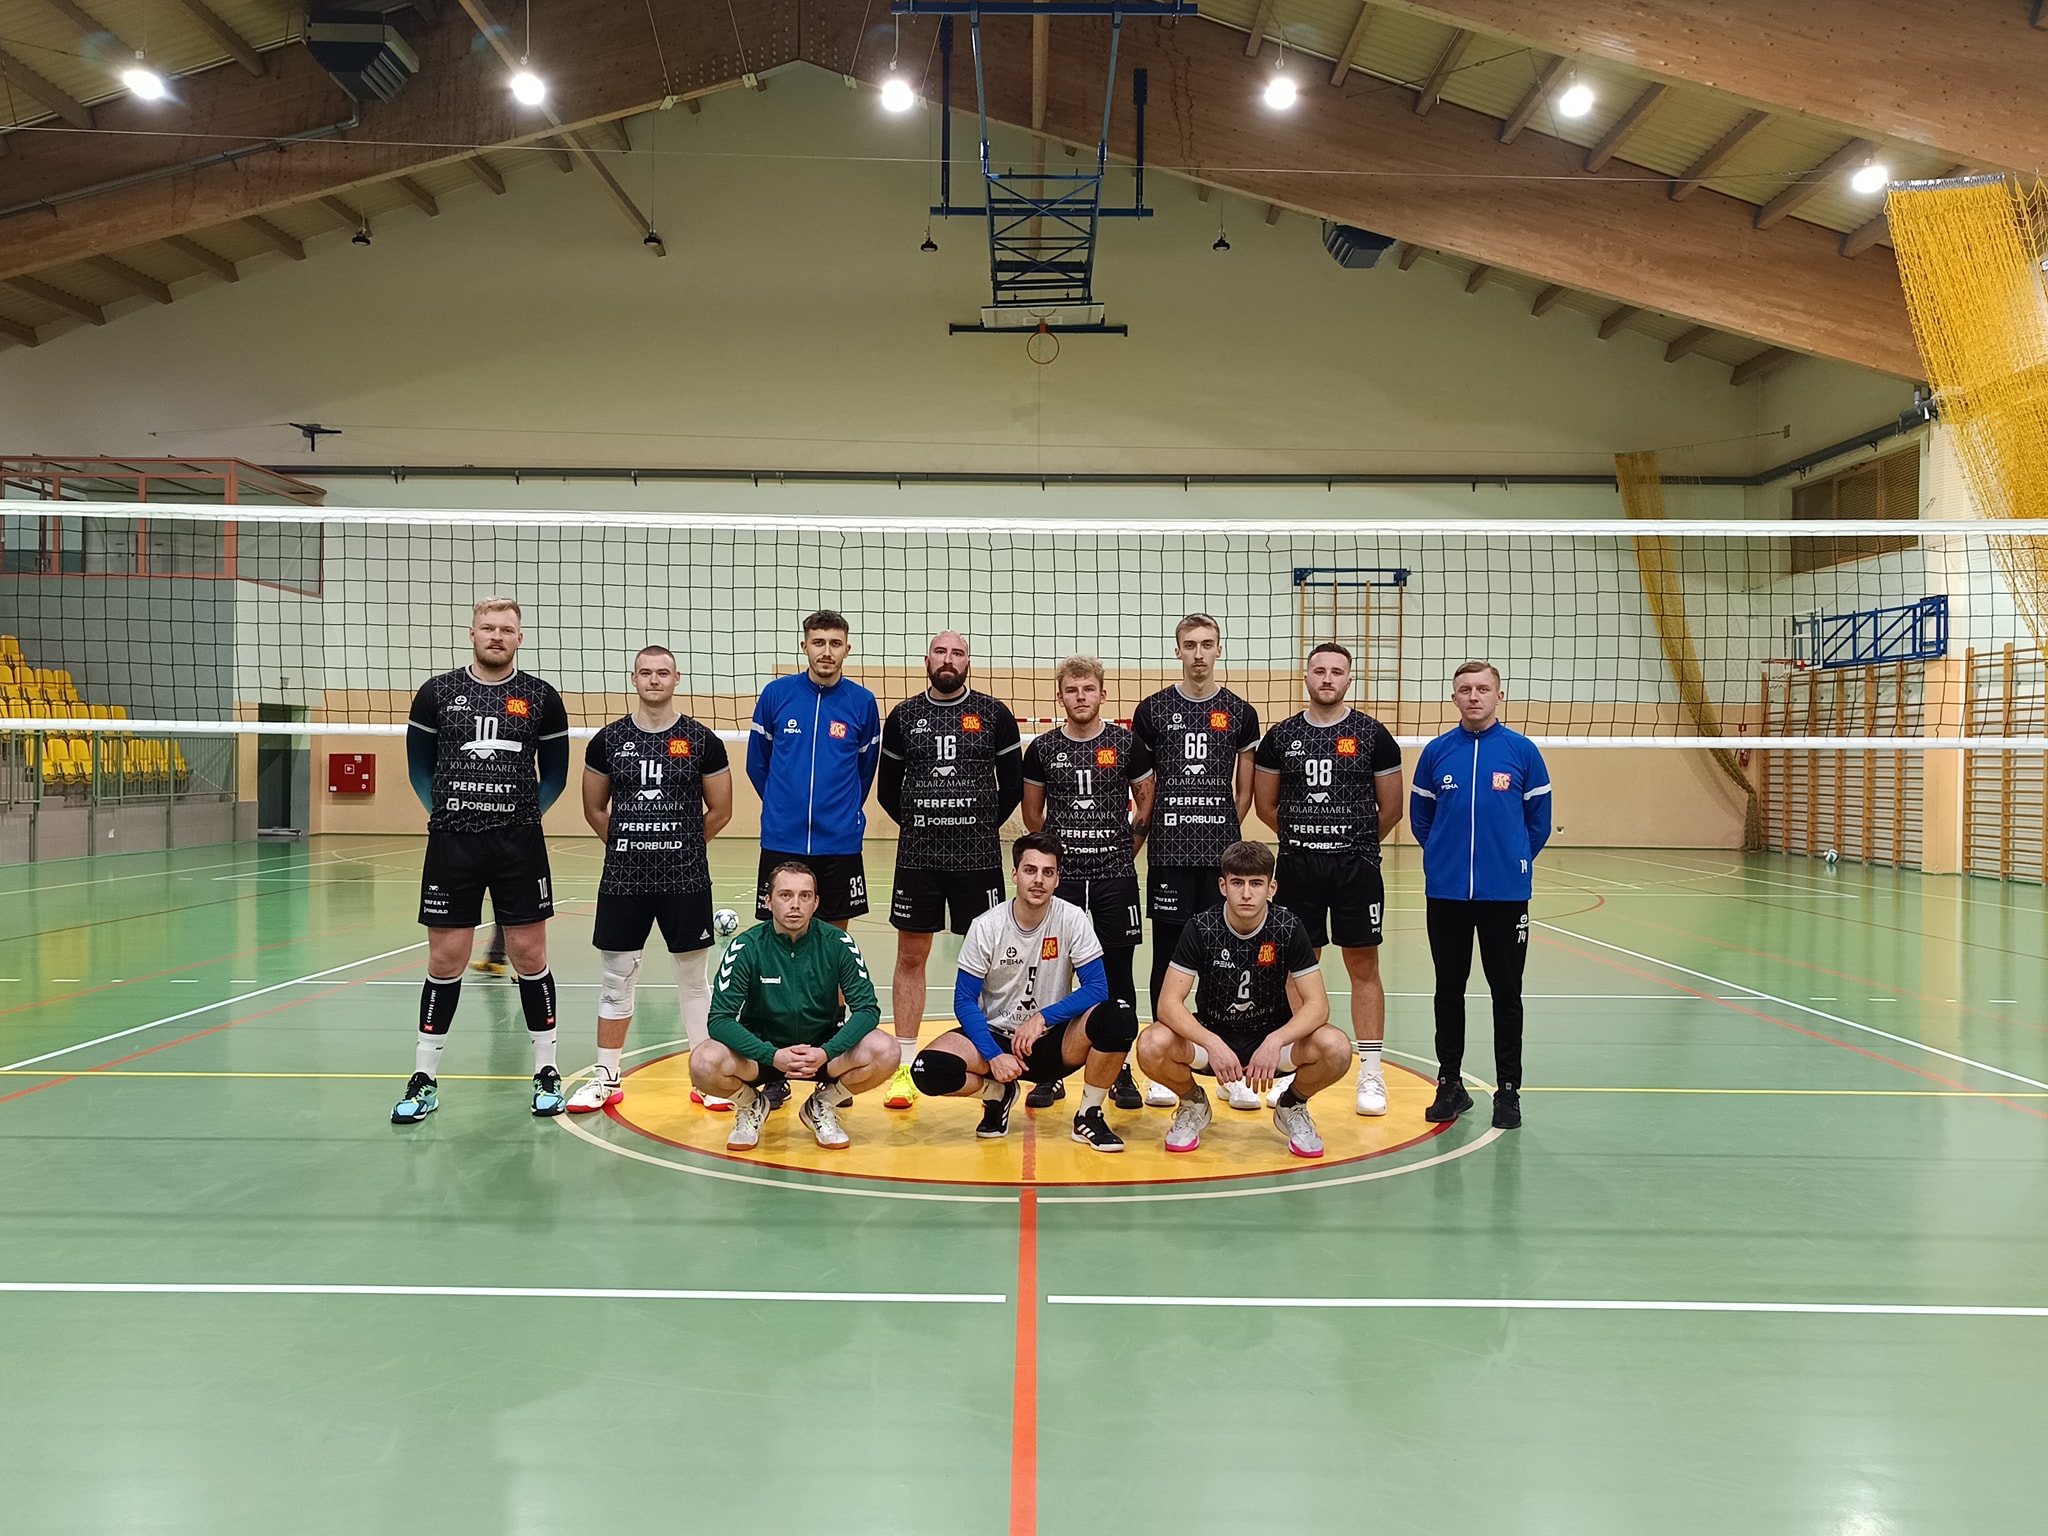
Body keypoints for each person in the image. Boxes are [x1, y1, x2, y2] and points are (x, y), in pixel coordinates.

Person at [392, 597, 571, 1124]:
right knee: (446, 959)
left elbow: (555, 775)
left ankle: (547, 1071)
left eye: (506, 629)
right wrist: (443, 813)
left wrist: (523, 816)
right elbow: (419, 769)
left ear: (520, 638)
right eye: (488, 627)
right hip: (453, 844)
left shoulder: (541, 697)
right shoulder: (436, 693)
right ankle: (424, 1078)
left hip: (518, 845)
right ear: (472, 633)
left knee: (528, 955)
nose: (497, 636)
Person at [566, 644, 734, 1115]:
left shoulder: (702, 740)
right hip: (624, 880)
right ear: (634, 679)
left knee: (694, 980)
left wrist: (681, 845)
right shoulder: (608, 740)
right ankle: (606, 1078)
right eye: (646, 672)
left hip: (685, 878)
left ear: (676, 679)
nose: (654, 680)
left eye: (663, 673)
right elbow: (594, 809)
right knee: (616, 979)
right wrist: (628, 844)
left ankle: (706, 1078)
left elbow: (721, 810)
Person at [908, 831, 1141, 1151]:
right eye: (1030, 870)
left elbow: (1098, 988)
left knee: (1120, 1015)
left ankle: (1089, 1114)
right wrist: (993, 1055)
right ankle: (997, 1094)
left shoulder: (1071, 918)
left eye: (1048, 872)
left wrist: (1042, 1018)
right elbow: (964, 1000)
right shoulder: (986, 926)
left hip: (1056, 1040)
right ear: (1015, 874)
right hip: (997, 1038)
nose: (1039, 880)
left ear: (1058, 879)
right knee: (928, 1069)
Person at [1253, 642, 1404, 1117]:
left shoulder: (1373, 734)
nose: (1327, 678)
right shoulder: (1281, 736)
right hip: (1298, 868)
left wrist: (1353, 843)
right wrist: (1304, 840)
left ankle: (1371, 1072)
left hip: (1356, 868)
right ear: (1306, 677)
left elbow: (1391, 809)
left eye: (1336, 672)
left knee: (1364, 967)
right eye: (1319, 670)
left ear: (1348, 679)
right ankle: (1290, 1063)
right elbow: (1266, 806)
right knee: (1296, 967)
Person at [878, 630, 1023, 1110]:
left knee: (991, 959)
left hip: (977, 859)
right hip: (918, 858)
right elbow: (887, 791)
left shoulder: (994, 714)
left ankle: (993, 1057)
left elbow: (1012, 787)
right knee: (911, 956)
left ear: (968, 662)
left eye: (957, 653)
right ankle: (904, 1066)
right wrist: (924, 824)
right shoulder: (903, 716)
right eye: (940, 652)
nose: (948, 659)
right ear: (927, 660)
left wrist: (977, 825)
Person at [1409, 660, 1552, 1131]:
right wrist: (1444, 857)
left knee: (1506, 993)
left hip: (1505, 897)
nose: (1474, 696)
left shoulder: (1522, 752)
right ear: (1454, 697)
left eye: (1483, 689)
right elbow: (1421, 820)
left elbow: (1538, 823)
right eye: (1465, 689)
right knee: (1448, 990)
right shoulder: (1436, 752)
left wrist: (1510, 860)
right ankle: (1450, 1083)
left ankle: (1508, 1090)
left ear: (1498, 695)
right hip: (1446, 894)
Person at [1135, 841, 1345, 1158]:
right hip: (1214, 1037)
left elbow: (1318, 1005)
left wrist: (1276, 1040)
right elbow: (1168, 1003)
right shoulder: (1201, 927)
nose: (1246, 893)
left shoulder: (1288, 927)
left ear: (1271, 888)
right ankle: (1192, 1102)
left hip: (1271, 1041)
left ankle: (1293, 1104)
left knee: (1337, 1047)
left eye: (1256, 883)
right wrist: (1212, 1043)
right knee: (1151, 1044)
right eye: (1237, 883)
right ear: (1223, 886)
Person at [1131, 613, 1261, 1110]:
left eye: (1207, 644)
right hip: (1168, 854)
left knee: (1224, 958)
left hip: (1218, 858)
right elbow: (1144, 786)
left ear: (1219, 649)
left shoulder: (1240, 712)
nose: (1199, 653)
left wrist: (1223, 831)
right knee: (1168, 957)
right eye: (1190, 645)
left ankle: (1229, 1065)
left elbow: (1244, 790)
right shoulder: (1152, 710)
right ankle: (1167, 1065)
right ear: (1178, 650)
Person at [1021, 655, 1154, 1109]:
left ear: (1102, 693)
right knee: (1054, 971)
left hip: (1115, 876)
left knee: (1117, 973)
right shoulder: (1043, 748)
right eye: (1072, 690)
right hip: (1065, 879)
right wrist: (1054, 862)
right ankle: (1052, 1068)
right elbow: (1033, 814)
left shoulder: (1126, 743)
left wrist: (1126, 848)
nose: (1081, 697)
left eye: (1088, 689)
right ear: (1060, 696)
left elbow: (1145, 801)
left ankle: (1120, 1067)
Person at [693, 861, 895, 1151]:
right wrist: (771, 1055)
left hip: (821, 1052)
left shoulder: (838, 943)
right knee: (702, 1062)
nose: (795, 905)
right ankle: (751, 1105)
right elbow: (720, 1020)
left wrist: (826, 1052)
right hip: (761, 1054)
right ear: (768, 901)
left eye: (805, 896)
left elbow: (867, 1010)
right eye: (785, 895)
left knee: (887, 1050)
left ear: (816, 903)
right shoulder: (746, 947)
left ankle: (822, 1105)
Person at [747, 609, 881, 931]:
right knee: (779, 936)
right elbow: (757, 764)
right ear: (804, 646)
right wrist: (782, 805)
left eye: (835, 643)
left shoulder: (862, 702)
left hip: (839, 842)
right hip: (782, 838)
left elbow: (865, 770)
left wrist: (842, 812)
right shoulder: (776, 694)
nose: (827, 651)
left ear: (847, 650)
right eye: (818, 642)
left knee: (834, 939)